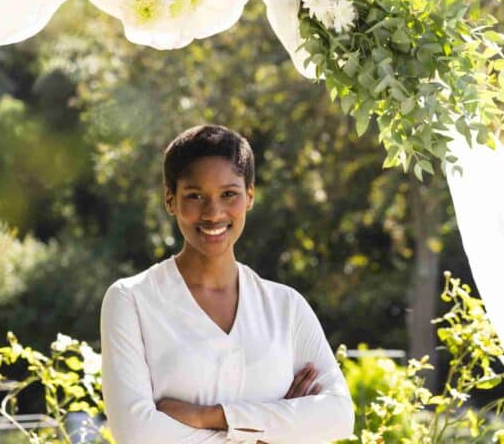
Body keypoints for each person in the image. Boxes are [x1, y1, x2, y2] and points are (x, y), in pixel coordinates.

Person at [100, 124, 355, 443]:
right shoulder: (131, 300)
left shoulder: (285, 306)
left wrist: (211, 416)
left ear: (249, 196)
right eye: (195, 196)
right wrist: (276, 428)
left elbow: (338, 418)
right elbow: (137, 435)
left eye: (228, 194)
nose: (213, 212)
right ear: (170, 200)